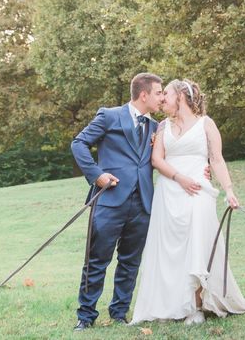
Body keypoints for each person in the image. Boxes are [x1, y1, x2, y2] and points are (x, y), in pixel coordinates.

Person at [131, 79, 245, 325]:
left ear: (181, 96)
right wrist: (179, 178)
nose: (162, 99)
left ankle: (197, 305)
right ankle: (172, 305)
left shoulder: (206, 124)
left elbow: (217, 160)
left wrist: (229, 191)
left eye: (166, 94)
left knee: (198, 245)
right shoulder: (161, 127)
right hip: (169, 191)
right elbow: (157, 160)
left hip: (199, 191)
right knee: (170, 250)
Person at [70, 73, 164, 331]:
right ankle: (86, 316)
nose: (162, 97)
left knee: (130, 261)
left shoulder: (157, 127)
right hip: (109, 201)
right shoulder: (109, 116)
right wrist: (97, 175)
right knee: (96, 260)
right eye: (158, 92)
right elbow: (79, 144)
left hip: (143, 203)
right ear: (143, 94)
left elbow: (164, 160)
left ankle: (119, 312)